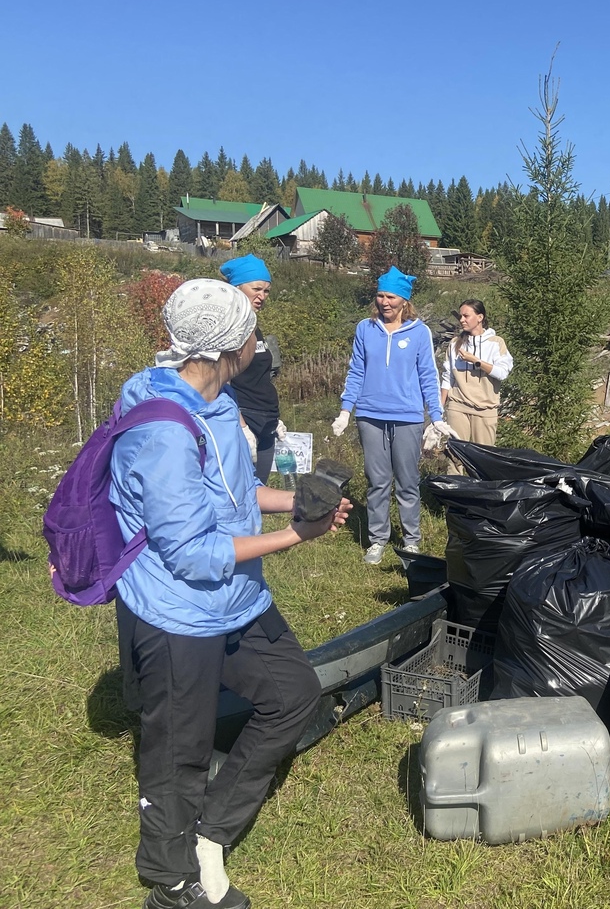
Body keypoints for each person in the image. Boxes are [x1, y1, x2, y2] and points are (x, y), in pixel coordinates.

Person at [109, 278, 351, 909]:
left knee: (292, 692)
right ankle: (170, 881)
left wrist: (298, 503)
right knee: (178, 751)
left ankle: (210, 832)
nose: (258, 341)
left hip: (235, 598)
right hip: (176, 609)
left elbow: (236, 498)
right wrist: (297, 537)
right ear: (225, 347)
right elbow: (191, 553)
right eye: (251, 332)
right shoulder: (160, 427)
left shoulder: (216, 400)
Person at [331, 267, 452, 564]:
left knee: (408, 481)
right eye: (380, 295)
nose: (384, 302)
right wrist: (346, 411)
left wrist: (435, 416)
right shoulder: (365, 328)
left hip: (407, 416)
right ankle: (378, 539)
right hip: (370, 415)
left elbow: (427, 375)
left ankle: (411, 540)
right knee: (377, 480)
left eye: (391, 297)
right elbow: (356, 371)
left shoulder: (419, 332)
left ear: (404, 300)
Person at [220, 254, 286, 483]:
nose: (262, 296)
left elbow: (259, 376)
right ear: (236, 288)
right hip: (245, 420)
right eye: (256, 289)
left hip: (266, 420)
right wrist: (241, 426)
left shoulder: (253, 324)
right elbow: (222, 380)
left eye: (266, 291)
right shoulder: (228, 327)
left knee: (260, 496)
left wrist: (274, 417)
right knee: (243, 496)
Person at [440, 298, 513, 446]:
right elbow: (448, 377)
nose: (462, 320)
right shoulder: (455, 344)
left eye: (466, 316)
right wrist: (439, 408)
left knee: (484, 457)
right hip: (458, 406)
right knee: (456, 456)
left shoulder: (496, 343)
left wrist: (476, 361)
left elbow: (502, 373)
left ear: (480, 317)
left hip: (485, 409)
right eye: (460, 316)